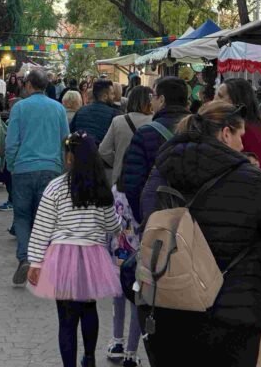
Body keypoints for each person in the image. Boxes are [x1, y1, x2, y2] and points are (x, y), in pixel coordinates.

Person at [138, 101, 261, 367]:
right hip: (235, 311)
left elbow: (149, 223)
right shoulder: (249, 177)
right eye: (240, 135)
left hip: (170, 304)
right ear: (226, 133)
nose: (242, 144)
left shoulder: (163, 169)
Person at [28, 132, 122, 367]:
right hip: (93, 256)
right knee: (89, 308)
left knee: (67, 319)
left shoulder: (56, 187)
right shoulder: (100, 187)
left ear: (70, 158)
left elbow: (42, 227)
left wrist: (36, 262)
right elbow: (112, 225)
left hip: (62, 257)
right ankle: (89, 358)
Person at [97, 85, 155, 365]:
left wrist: (116, 162)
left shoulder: (118, 122)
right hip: (145, 214)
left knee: (119, 284)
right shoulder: (155, 125)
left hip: (120, 202)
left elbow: (103, 151)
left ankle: (116, 342)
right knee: (138, 288)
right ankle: (133, 351)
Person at [5, 68, 71, 286]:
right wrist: (63, 168)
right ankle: (42, 262)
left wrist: (12, 165)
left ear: (29, 85)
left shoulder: (19, 107)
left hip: (23, 169)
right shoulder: (58, 108)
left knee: (22, 216)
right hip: (51, 169)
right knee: (45, 218)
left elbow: (11, 142)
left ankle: (25, 258)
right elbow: (65, 141)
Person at [121, 77, 190, 223]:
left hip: (157, 215)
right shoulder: (200, 129)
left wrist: (144, 218)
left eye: (153, 96)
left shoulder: (145, 133)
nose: (151, 101)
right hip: (192, 218)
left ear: (162, 100)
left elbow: (133, 183)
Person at [218, 78, 261, 179]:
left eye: (220, 96)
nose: (214, 101)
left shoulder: (250, 133)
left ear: (237, 101)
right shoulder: (232, 128)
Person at [71, 80, 120, 145]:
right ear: (105, 96)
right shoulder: (114, 114)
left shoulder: (80, 111)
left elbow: (71, 132)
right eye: (112, 94)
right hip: (101, 150)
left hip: (80, 149)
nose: (114, 96)